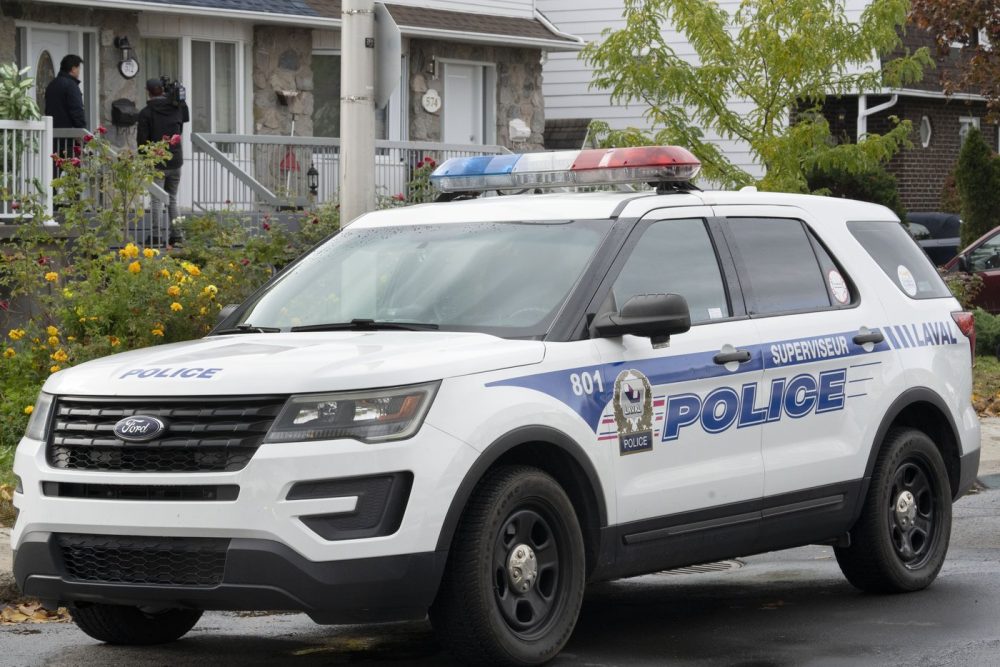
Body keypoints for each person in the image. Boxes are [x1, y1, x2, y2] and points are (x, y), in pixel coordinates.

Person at [137, 78, 190, 243]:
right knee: (172, 199)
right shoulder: (177, 108)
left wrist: (144, 158)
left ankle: (156, 236)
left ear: (148, 91)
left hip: (157, 161)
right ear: (163, 90)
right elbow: (183, 123)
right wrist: (181, 101)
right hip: (175, 160)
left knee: (156, 200)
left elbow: (142, 140)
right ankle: (177, 235)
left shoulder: (146, 112)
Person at [45, 54, 86, 156]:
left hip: (53, 138)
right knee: (70, 165)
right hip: (69, 139)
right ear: (73, 69)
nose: (79, 71)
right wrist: (81, 132)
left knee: (55, 165)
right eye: (78, 68)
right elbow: (77, 111)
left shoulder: (52, 85)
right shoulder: (71, 86)